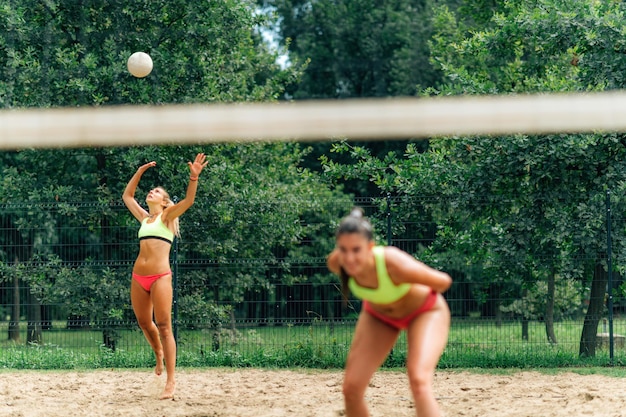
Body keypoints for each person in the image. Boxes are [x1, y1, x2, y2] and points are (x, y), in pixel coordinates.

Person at [327, 208, 452, 417]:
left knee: (419, 380)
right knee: (351, 389)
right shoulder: (337, 263)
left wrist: (407, 283)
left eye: (356, 250)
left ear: (370, 247)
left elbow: (443, 281)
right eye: (343, 250)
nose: (349, 258)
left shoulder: (393, 262)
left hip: (425, 311)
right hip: (380, 317)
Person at [122, 153, 208, 400]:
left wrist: (193, 177)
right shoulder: (144, 217)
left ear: (165, 201)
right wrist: (139, 172)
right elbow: (127, 196)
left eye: (157, 191)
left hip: (160, 277)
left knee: (164, 326)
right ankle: (157, 352)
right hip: (139, 276)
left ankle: (170, 381)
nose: (151, 192)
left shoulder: (167, 217)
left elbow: (189, 200)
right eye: (151, 190)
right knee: (143, 322)